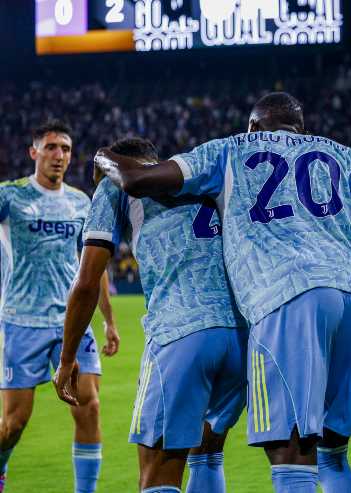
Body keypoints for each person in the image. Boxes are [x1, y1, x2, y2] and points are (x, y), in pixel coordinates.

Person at [92, 92, 351, 493]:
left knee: (292, 457)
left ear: (253, 126)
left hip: (288, 296)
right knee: (332, 455)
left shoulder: (231, 149)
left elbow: (137, 180)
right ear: (300, 129)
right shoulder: (342, 154)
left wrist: (103, 157)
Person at [54, 138, 248, 493]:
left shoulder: (114, 186)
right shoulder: (199, 173)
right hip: (240, 335)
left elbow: (86, 282)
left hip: (180, 330)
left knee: (158, 472)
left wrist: (66, 359)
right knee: (207, 454)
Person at [0, 120, 119, 493]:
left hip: (72, 321)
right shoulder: (10, 196)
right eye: (51, 147)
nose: (59, 155)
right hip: (21, 320)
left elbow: (93, 266)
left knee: (90, 407)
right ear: (33, 152)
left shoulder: (81, 202)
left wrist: (109, 321)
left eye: (65, 148)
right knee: (14, 423)